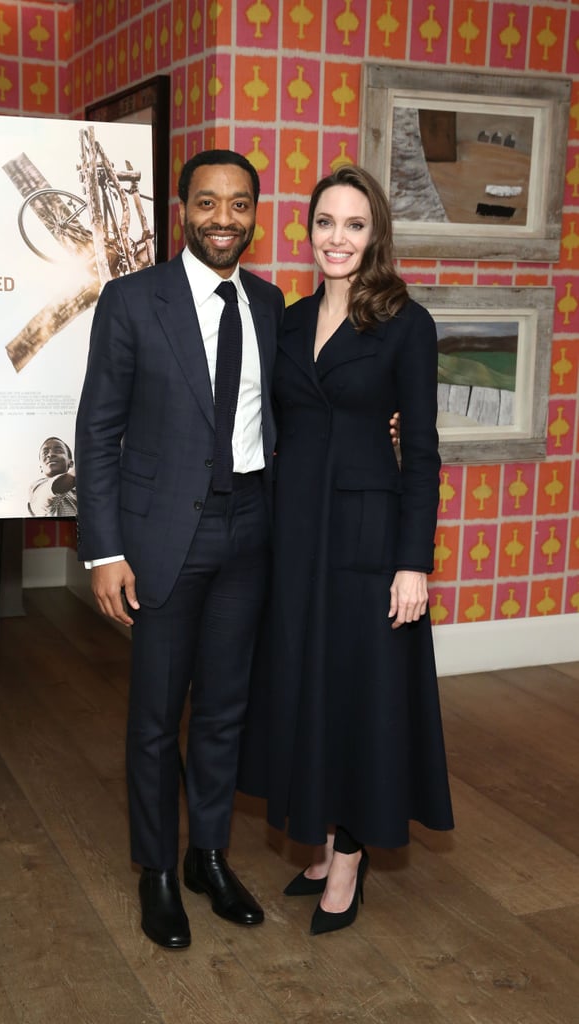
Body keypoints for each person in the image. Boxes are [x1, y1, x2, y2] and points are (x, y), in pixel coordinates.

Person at [75, 150, 285, 949]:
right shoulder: (132, 301)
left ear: (255, 214)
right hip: (164, 539)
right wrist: (104, 552)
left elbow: (296, 410)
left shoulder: (270, 303)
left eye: (239, 204)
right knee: (158, 718)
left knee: (227, 709)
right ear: (181, 210)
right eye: (207, 202)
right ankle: (157, 871)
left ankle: (209, 856)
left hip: (251, 532)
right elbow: (97, 433)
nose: (223, 218)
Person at [239, 165, 454, 936]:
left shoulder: (407, 324)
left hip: (368, 541)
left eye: (354, 225)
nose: (338, 237)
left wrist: (414, 561)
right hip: (293, 536)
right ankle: (324, 838)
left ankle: (353, 854)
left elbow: (422, 451)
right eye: (325, 222)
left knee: (361, 694)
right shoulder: (287, 321)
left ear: (376, 235)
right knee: (306, 685)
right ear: (307, 230)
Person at [27, 436, 77, 517]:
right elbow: (57, 487)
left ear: (70, 463)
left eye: (58, 451)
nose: (50, 454)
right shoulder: (37, 489)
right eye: (45, 453)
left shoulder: (82, 489)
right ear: (41, 467)